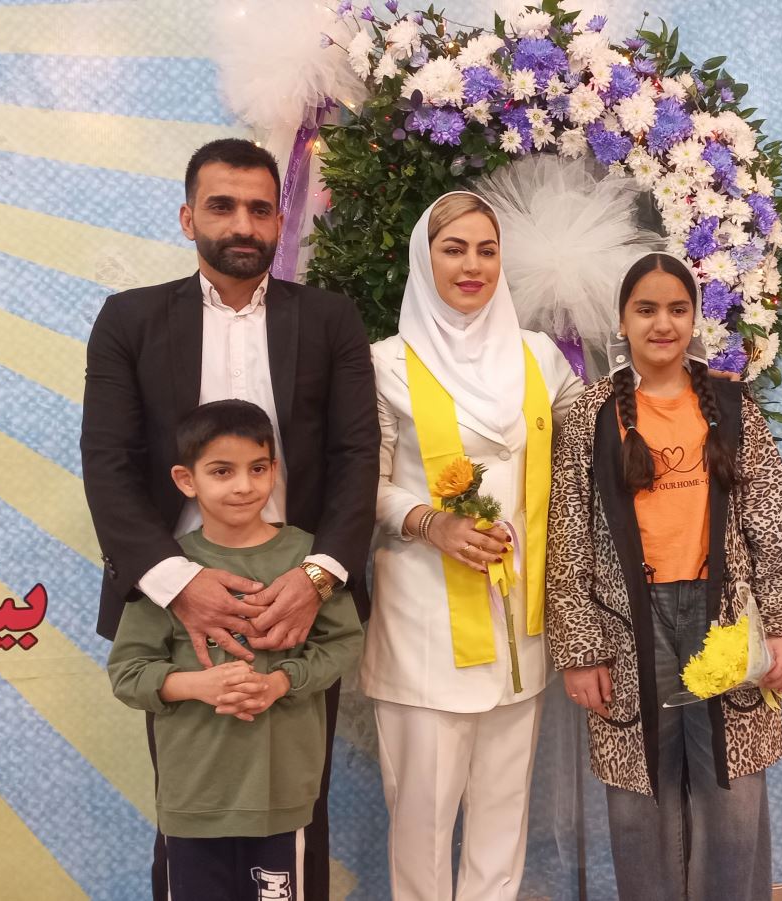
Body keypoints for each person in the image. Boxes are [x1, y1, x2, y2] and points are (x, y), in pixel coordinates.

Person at [80, 138, 379, 898]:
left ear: (280, 220)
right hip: (176, 605)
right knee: (188, 807)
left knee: (298, 809)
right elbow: (108, 464)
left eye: (259, 209)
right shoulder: (130, 319)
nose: (242, 224)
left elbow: (356, 458)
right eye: (222, 206)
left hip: (296, 602)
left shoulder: (330, 319)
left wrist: (317, 579)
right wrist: (180, 586)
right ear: (188, 218)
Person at [544, 252, 782, 901]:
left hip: (724, 620)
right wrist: (582, 650)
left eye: (677, 309)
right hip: (628, 626)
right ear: (622, 320)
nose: (662, 323)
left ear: (695, 317)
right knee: (639, 795)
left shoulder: (730, 404)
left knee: (733, 792)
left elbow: (775, 520)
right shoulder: (591, 417)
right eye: (646, 309)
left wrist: (780, 628)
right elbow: (568, 536)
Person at [363, 190, 584, 900]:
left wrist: (690, 385)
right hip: (424, 630)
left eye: (487, 251)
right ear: (422, 260)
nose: (472, 265)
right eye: (453, 249)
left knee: (502, 817)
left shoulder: (539, 358)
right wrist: (432, 523)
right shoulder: (386, 365)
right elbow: (359, 489)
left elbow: (598, 436)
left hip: (519, 626)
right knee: (422, 825)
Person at [108, 399, 363, 901]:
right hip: (194, 798)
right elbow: (127, 673)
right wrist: (198, 685)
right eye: (222, 471)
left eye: (258, 468)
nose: (244, 486)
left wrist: (281, 682)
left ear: (275, 470)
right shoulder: (169, 573)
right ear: (186, 480)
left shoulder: (308, 560)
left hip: (280, 796)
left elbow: (343, 643)